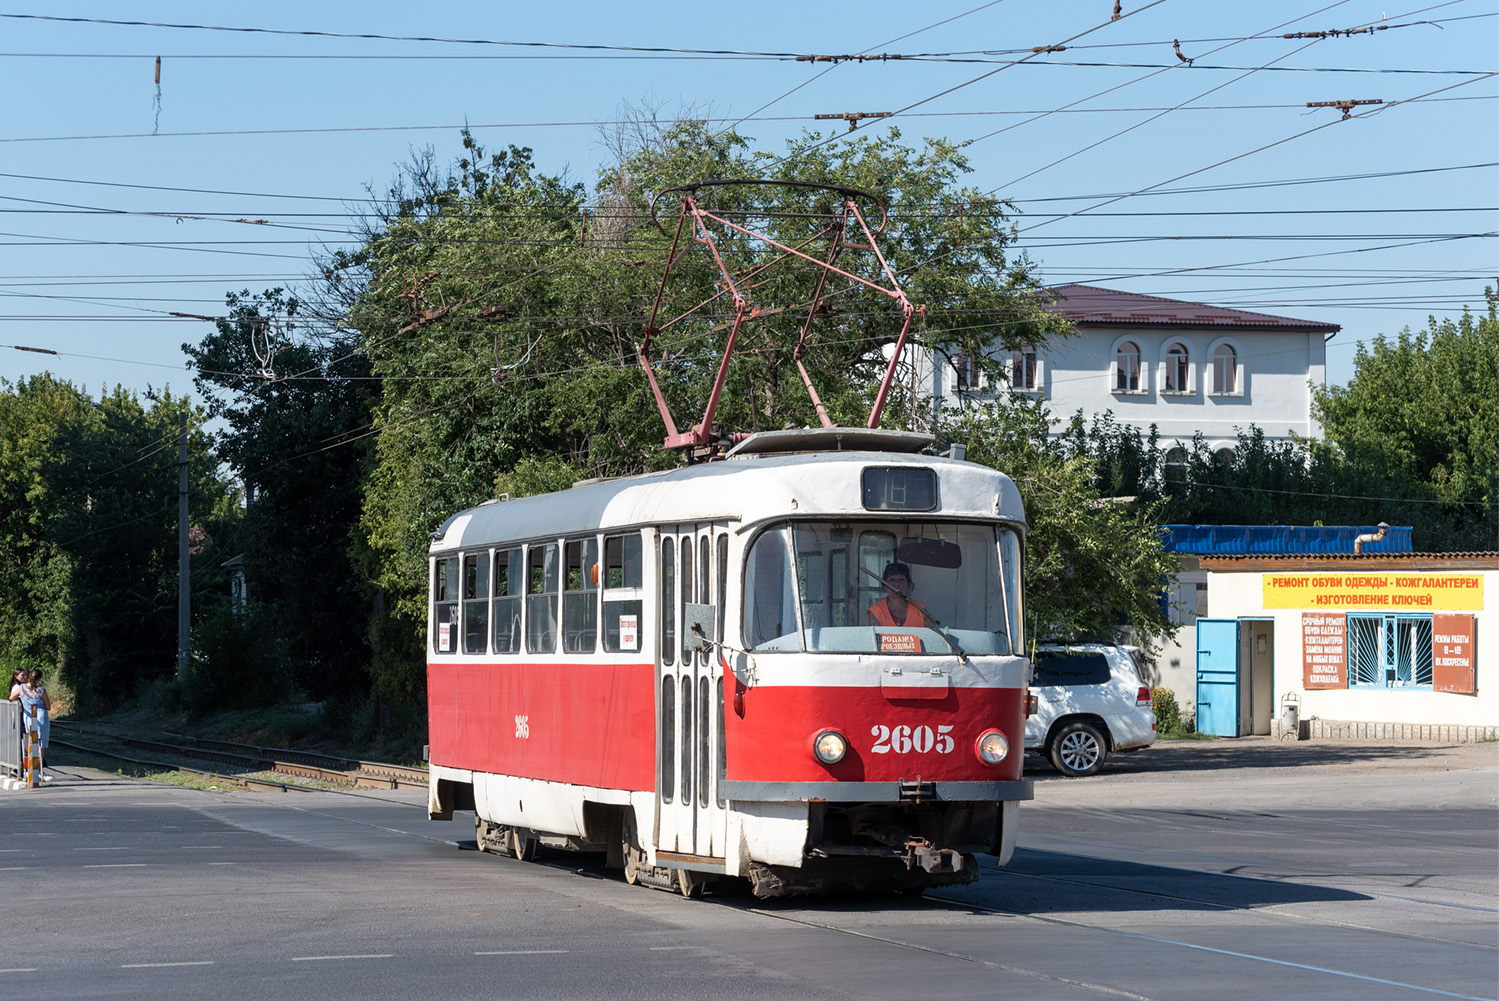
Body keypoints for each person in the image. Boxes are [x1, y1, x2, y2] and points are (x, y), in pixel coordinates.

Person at [10, 668, 51, 782]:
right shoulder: (41, 690)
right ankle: (38, 771)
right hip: (41, 718)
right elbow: (48, 706)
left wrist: (22, 702)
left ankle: (30, 771)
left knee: (31, 744)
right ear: (39, 679)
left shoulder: (22, 688)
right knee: (40, 745)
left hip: (28, 718)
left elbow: (11, 697)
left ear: (30, 677)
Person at [866, 562, 928, 628]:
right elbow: (874, 634)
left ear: (908, 584)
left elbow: (932, 632)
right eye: (892, 580)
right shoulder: (877, 611)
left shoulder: (920, 609)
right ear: (884, 585)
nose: (897, 584)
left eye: (901, 580)